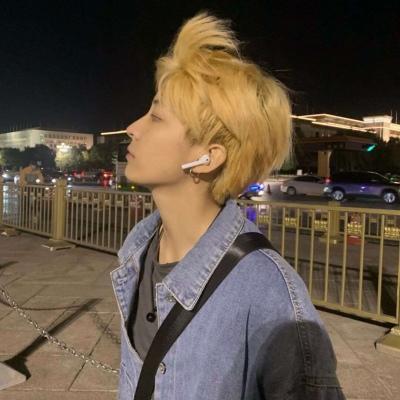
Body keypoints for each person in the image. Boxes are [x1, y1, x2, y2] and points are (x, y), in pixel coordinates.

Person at [111, 12, 345, 400]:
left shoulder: (269, 294)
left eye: (156, 116)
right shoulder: (138, 249)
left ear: (207, 157)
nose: (133, 127)